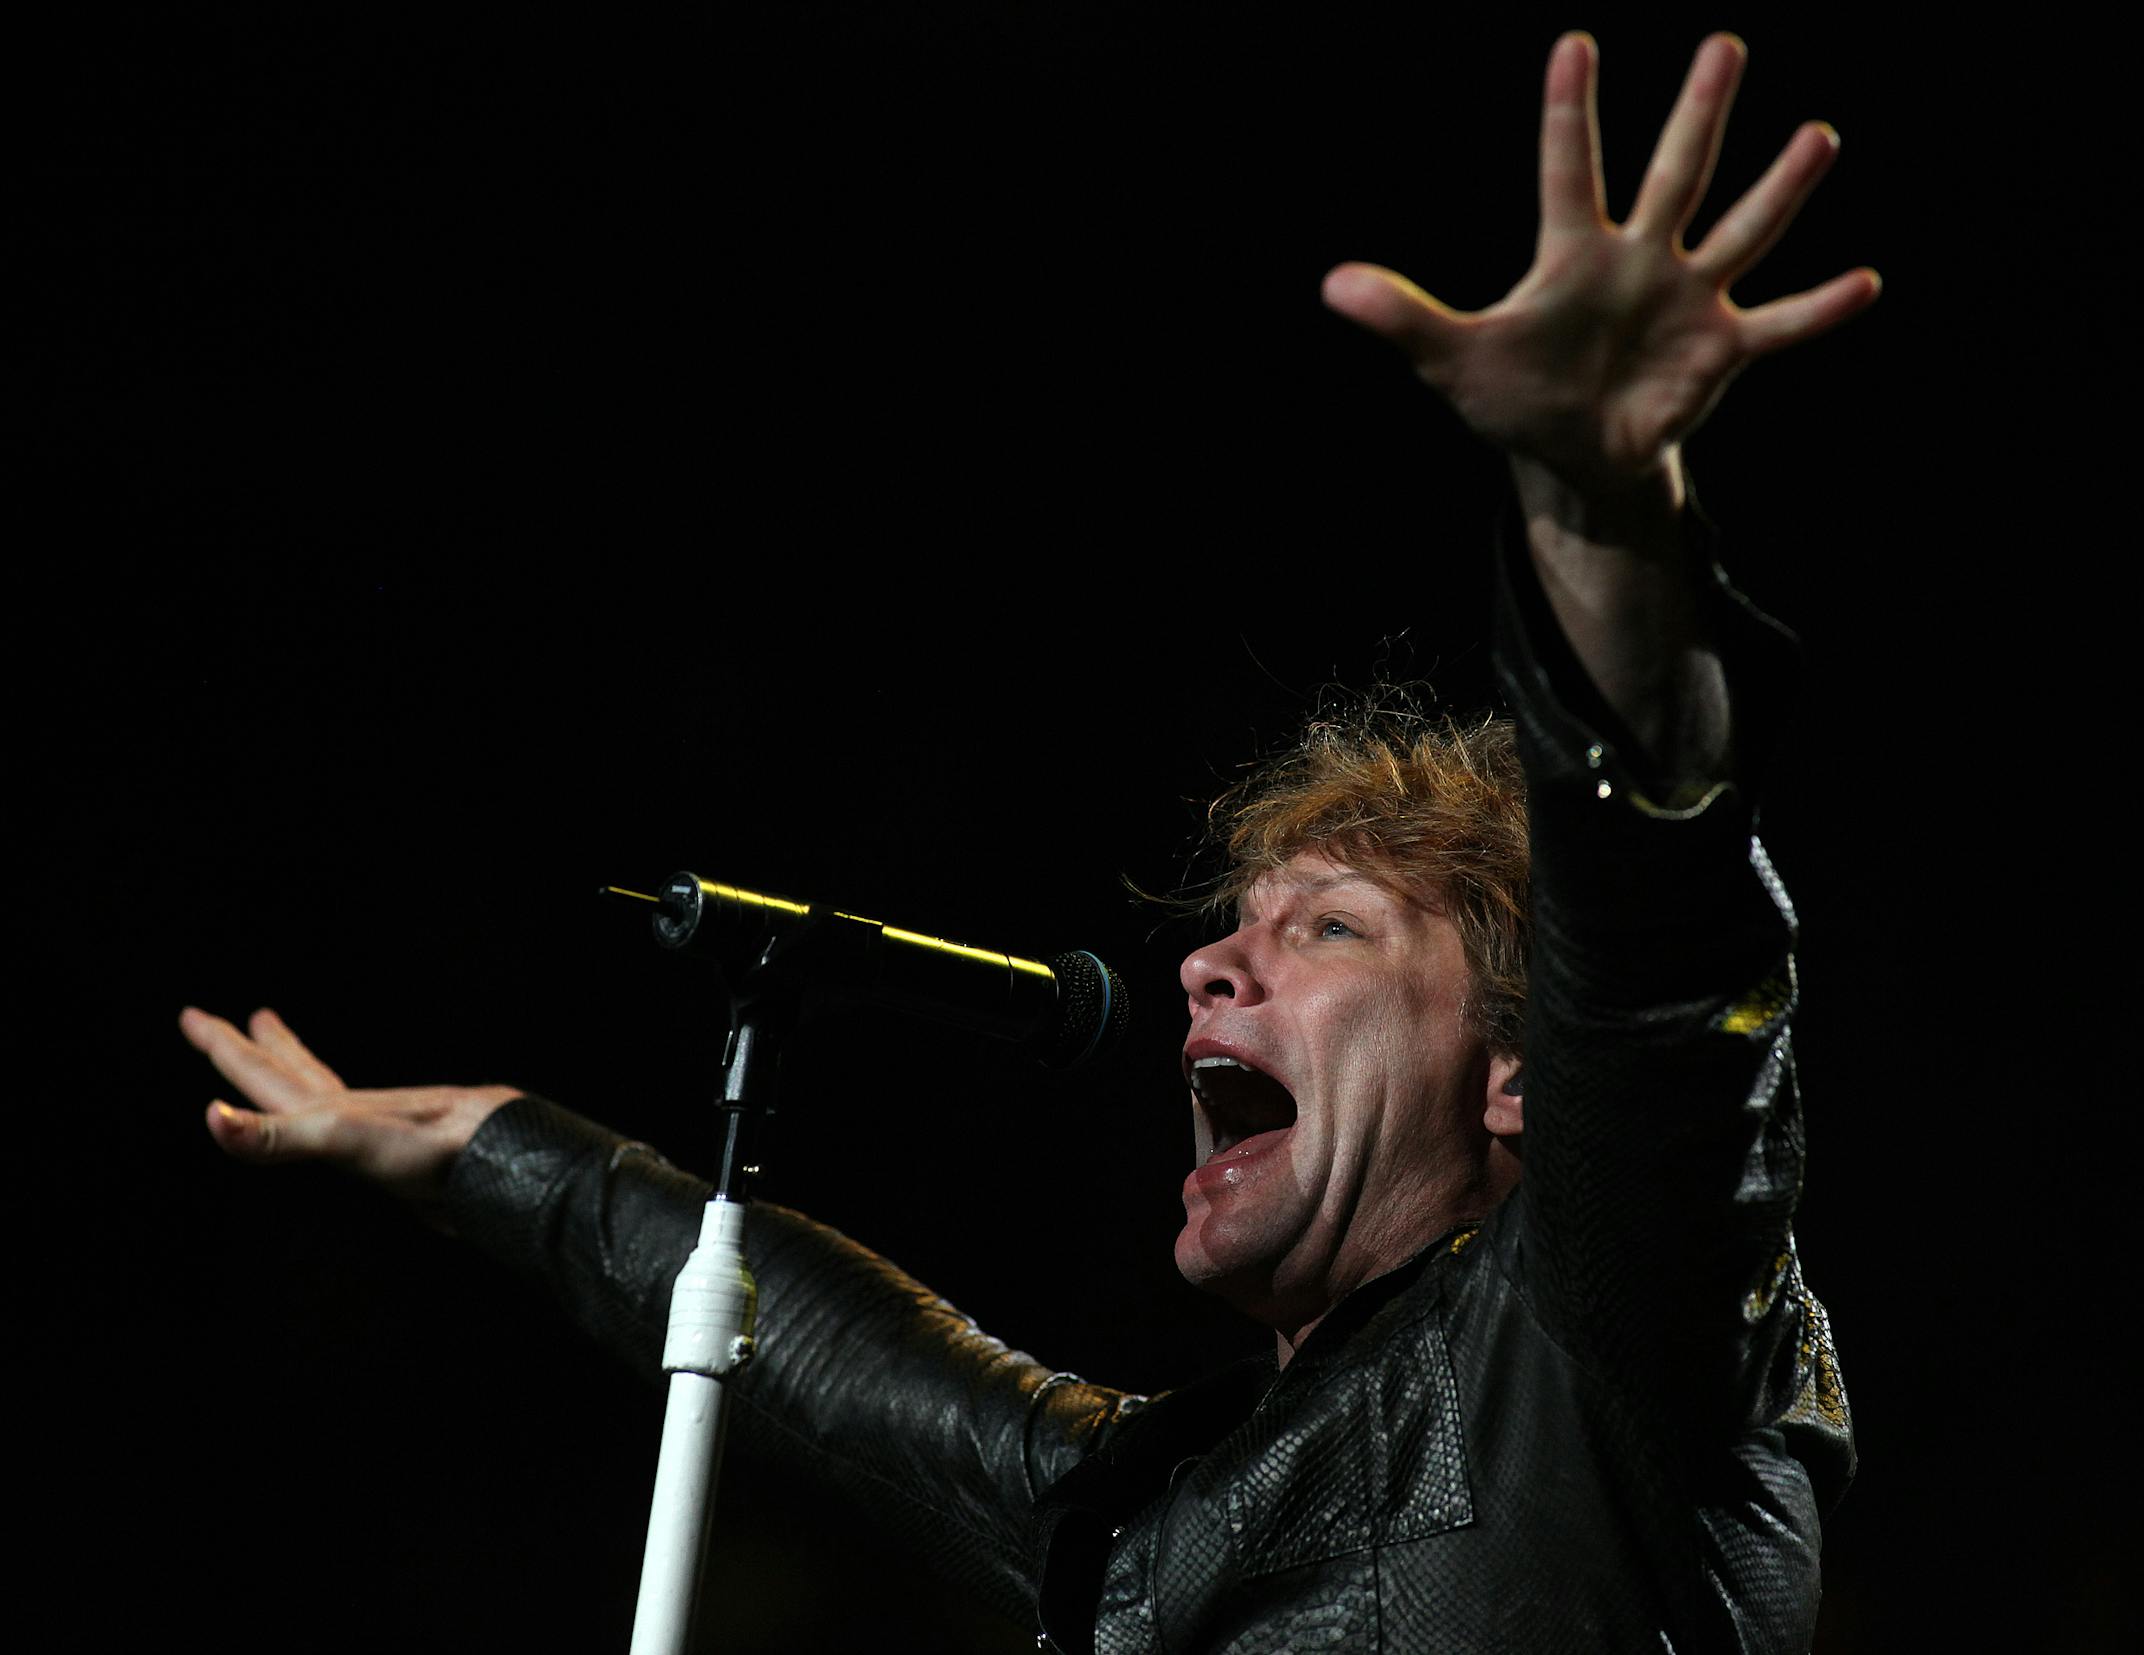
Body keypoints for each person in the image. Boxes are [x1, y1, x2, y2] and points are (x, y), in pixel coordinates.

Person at [181, 33, 1875, 1650]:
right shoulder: (1153, 1507)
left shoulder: (1612, 1330)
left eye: (1330, 927)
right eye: (1239, 926)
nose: (1208, 966)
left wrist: (1598, 510)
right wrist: (500, 1153)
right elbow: (846, 1366)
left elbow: (1661, 961)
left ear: (1517, 1071)